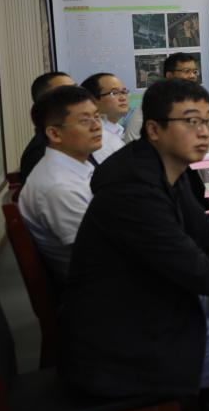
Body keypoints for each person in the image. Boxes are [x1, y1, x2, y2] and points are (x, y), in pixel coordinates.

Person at [59, 79, 209, 411]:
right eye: (190, 122)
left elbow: (203, 229)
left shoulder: (160, 164)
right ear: (154, 129)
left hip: (150, 307)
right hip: (122, 348)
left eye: (206, 121)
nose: (203, 132)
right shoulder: (134, 192)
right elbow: (204, 275)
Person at [18, 85, 102, 279]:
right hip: (99, 284)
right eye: (84, 120)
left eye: (97, 117)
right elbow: (100, 251)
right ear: (55, 134)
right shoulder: (58, 188)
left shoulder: (77, 165)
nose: (97, 126)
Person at [123, 52, 200, 141]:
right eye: (187, 71)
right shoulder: (160, 97)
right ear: (170, 76)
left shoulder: (179, 96)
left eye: (195, 72)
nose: (192, 76)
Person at [18, 71, 76, 183]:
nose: (79, 96)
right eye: (68, 92)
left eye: (76, 89)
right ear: (45, 103)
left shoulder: (71, 139)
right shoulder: (40, 152)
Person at [81, 72, 130, 164]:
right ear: (92, 100)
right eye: (114, 93)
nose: (123, 98)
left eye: (124, 92)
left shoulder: (116, 130)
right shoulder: (96, 137)